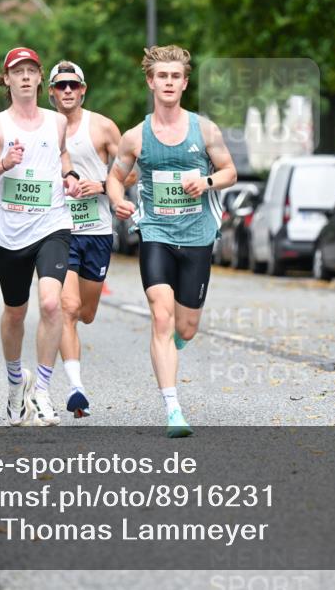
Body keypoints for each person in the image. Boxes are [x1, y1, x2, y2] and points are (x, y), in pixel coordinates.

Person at [106, 45, 237, 438]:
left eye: (175, 77)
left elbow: (230, 171)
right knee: (160, 315)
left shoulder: (205, 129)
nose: (168, 83)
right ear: (151, 82)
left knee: (187, 326)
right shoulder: (135, 136)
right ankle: (173, 409)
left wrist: (208, 181)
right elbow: (116, 176)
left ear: (184, 82)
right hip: (156, 233)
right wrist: (117, 200)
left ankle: (176, 341)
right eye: (161, 76)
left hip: (197, 234)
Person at [0, 46, 82, 426]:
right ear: (8, 79)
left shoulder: (56, 122)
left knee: (52, 305)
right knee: (15, 313)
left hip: (53, 224)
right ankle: (17, 381)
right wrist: (3, 164)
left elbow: (62, 156)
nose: (27, 77)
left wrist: (70, 177)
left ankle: (44, 390)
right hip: (12, 233)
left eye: (32, 70)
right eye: (19, 72)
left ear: (38, 76)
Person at [48, 60, 135, 418]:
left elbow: (133, 172)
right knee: (64, 309)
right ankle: (75, 388)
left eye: (73, 85)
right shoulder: (40, 127)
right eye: (60, 85)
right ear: (51, 92)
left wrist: (100, 186)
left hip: (97, 230)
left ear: (83, 90)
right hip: (58, 230)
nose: (67, 91)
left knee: (86, 312)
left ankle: (75, 380)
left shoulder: (101, 127)